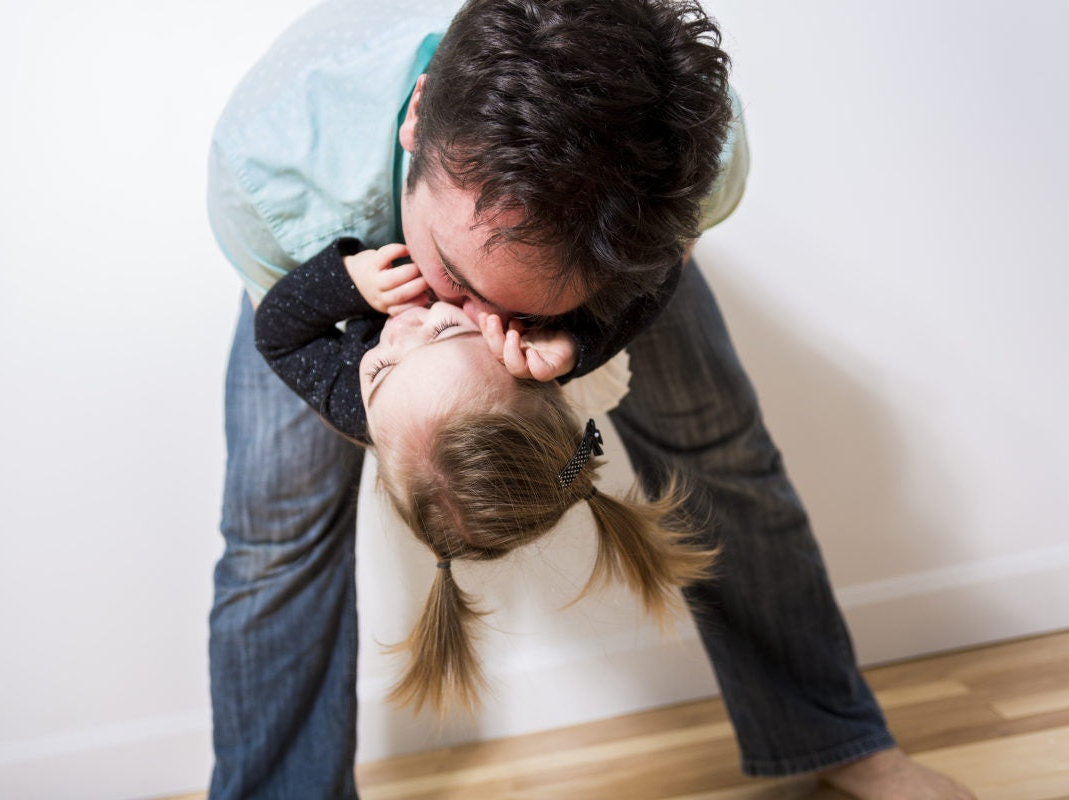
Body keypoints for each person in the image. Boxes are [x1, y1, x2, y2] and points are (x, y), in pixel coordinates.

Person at [206, 0, 975, 797]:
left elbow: (642, 289)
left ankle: (833, 740)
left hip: (601, 279)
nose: (485, 326)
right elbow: (288, 337)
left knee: (718, 449)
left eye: (525, 309)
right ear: (418, 119)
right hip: (319, 264)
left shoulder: (680, 147)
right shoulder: (268, 171)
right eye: (459, 280)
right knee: (276, 534)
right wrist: (408, 403)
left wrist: (581, 340)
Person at [252, 236, 714, 714]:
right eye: (442, 330)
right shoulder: (534, 314)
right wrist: (577, 343)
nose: (402, 329)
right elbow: (662, 261)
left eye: (381, 369)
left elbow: (276, 334)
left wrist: (351, 281)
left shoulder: (362, 410)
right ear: (518, 356)